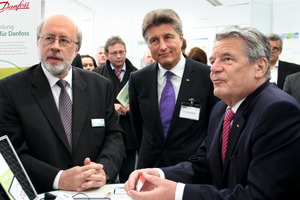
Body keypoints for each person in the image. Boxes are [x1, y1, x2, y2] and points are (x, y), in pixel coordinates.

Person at [124, 25, 300, 200]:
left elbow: (259, 195)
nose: (214, 68)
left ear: (260, 67)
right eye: (213, 60)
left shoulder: (277, 111)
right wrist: (157, 174)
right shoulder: (221, 109)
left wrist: (177, 193)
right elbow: (203, 165)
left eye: (227, 59)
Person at [0, 14, 125, 193]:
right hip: (44, 193)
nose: (55, 46)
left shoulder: (100, 86)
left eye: (64, 40)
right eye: (49, 38)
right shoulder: (11, 89)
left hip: (94, 192)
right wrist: (58, 179)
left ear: (76, 49)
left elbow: (114, 136)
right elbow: (12, 152)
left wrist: (103, 171)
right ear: (38, 43)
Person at [129, 8, 218, 170]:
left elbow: (214, 127)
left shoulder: (206, 76)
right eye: (154, 40)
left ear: (181, 38)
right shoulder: (138, 79)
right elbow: (138, 128)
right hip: (149, 168)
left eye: (168, 37)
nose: (162, 46)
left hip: (192, 170)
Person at [93, 36, 138, 183]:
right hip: (106, 134)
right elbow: (90, 104)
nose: (119, 56)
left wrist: (134, 106)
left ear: (126, 52)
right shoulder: (96, 74)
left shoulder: (137, 74)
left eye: (121, 52)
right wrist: (111, 107)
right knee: (106, 175)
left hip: (130, 133)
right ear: (106, 55)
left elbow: (145, 101)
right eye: (114, 53)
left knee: (128, 176)